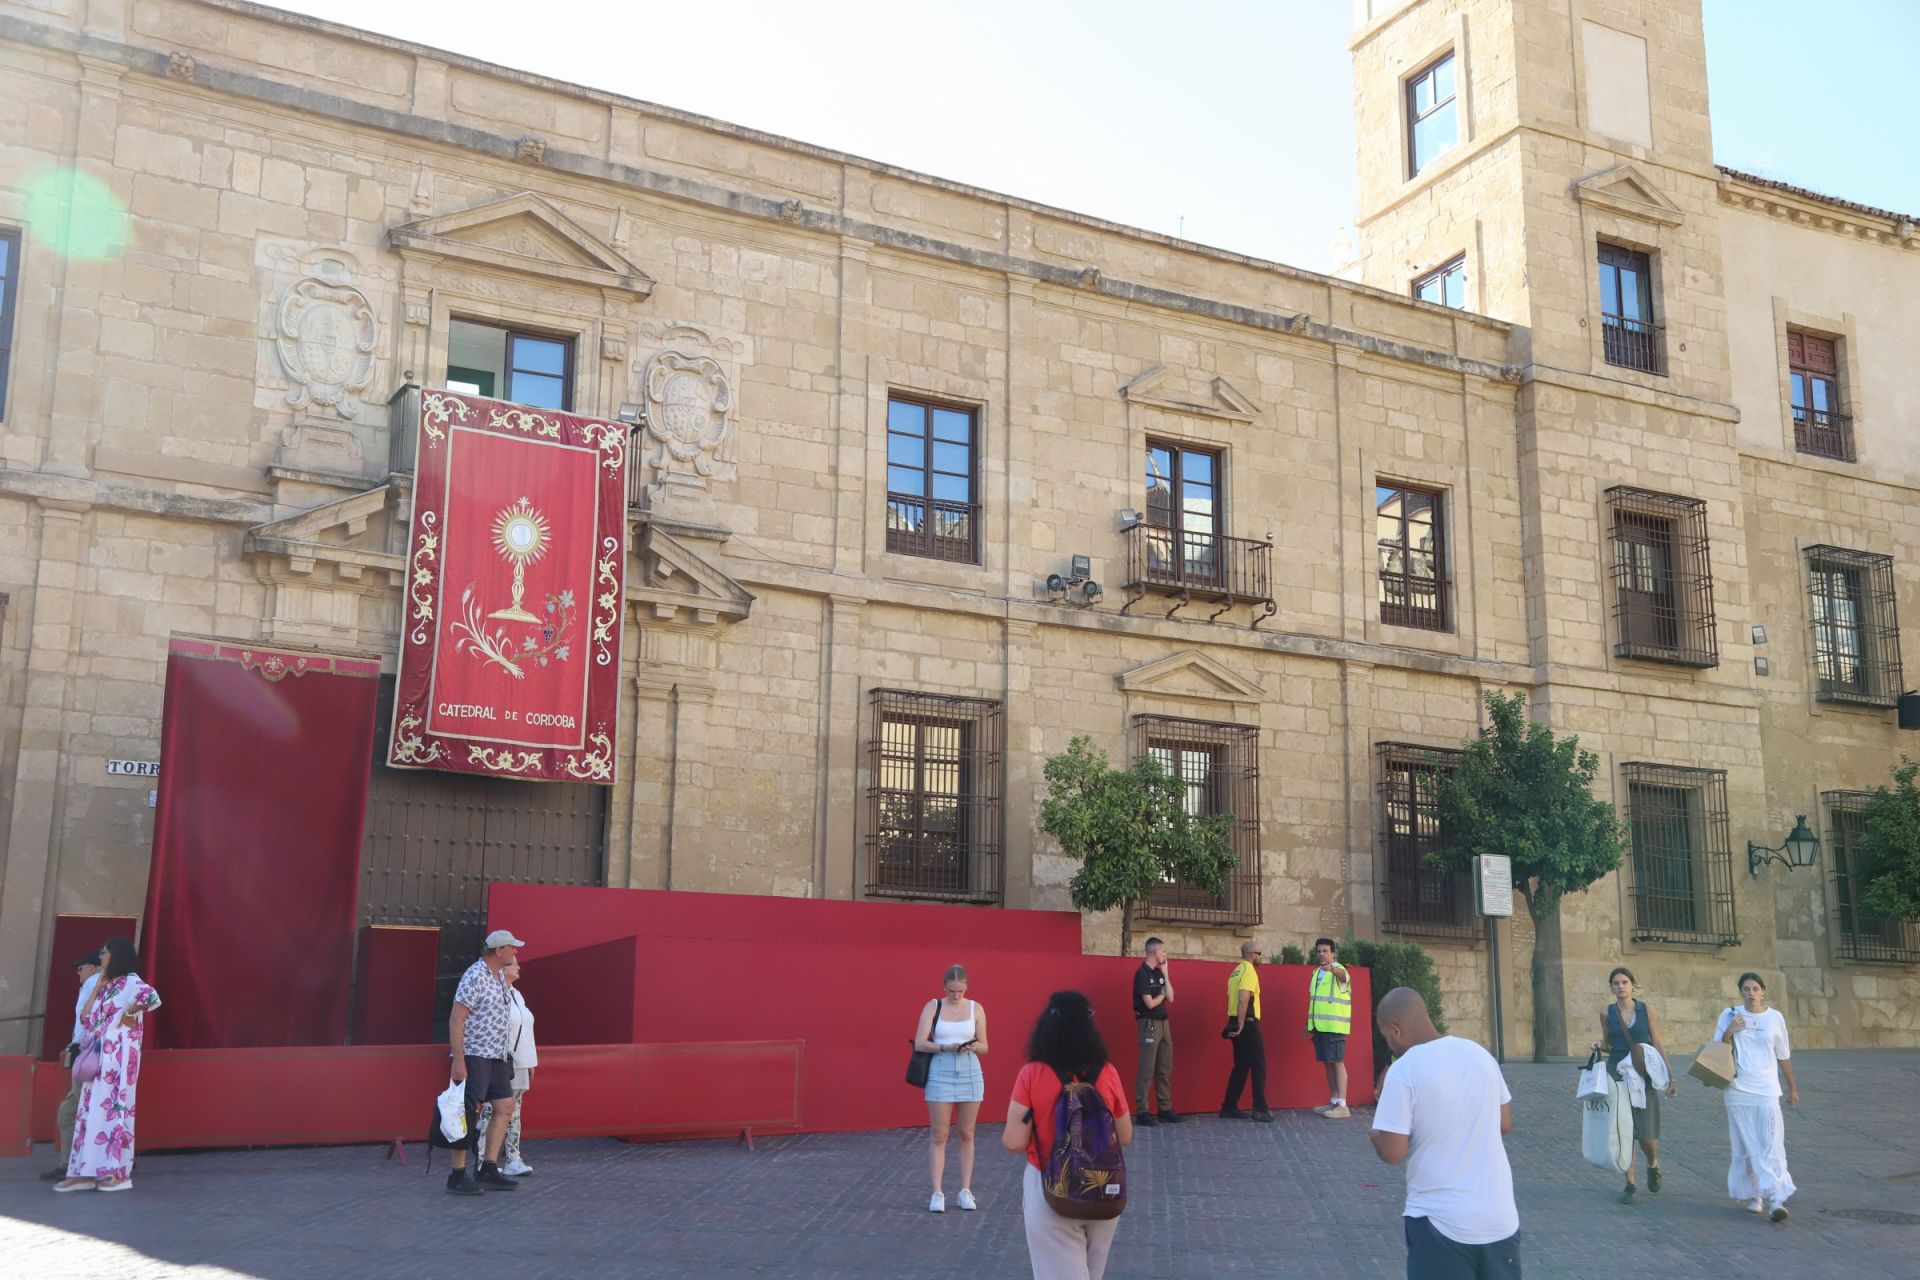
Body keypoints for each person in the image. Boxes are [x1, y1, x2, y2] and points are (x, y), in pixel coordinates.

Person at [1370, 987, 1521, 1279]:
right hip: (1499, 1218)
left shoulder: (1403, 1070)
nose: (1387, 1041)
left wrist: (1375, 1136)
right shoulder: (1479, 1054)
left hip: (1439, 1221)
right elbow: (1504, 1124)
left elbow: (1393, 1152)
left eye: (1384, 1034)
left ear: (1395, 1030)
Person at [1002, 990, 1133, 1280]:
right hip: (1102, 1190)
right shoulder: (1107, 1072)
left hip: (1051, 1188)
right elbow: (1124, 1135)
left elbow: (1013, 1142)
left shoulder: (1032, 1074)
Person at [53, 938, 162, 1193]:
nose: (101, 957)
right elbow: (86, 1017)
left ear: (117, 956)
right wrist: (97, 988)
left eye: (104, 953)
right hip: (98, 1058)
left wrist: (130, 1012)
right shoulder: (106, 985)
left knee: (114, 1112)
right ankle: (85, 1172)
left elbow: (153, 997)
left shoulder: (131, 982)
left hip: (119, 1059)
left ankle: (116, 1173)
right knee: (89, 1113)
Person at [446, 928, 525, 1196]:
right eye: (512, 947)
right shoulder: (475, 975)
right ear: (499, 950)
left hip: (495, 1056)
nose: (516, 951)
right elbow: (456, 1019)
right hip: (475, 1054)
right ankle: (457, 1175)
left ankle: (487, 1168)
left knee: (505, 1106)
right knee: (467, 1112)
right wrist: (459, 1060)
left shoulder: (498, 978)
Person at [1714, 972, 1797, 1223]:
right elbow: (1716, 1047)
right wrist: (1730, 1031)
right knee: (1745, 1144)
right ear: (1740, 991)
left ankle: (1777, 1199)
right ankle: (1755, 1196)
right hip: (1737, 1089)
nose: (1751, 993)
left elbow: (1783, 1054)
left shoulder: (1775, 1018)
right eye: (1746, 989)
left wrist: (1792, 1087)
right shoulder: (1729, 1015)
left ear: (1763, 992)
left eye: (1755, 989)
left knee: (1771, 1142)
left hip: (1767, 1089)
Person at [1590, 966, 1676, 1202]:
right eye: (1616, 983)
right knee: (1623, 1131)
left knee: (1646, 1133)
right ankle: (1630, 1184)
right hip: (1617, 1074)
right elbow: (1609, 1043)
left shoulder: (1646, 1009)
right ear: (1611, 987)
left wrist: (1670, 1075)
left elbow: (1656, 1041)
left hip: (1642, 1074)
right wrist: (1599, 1044)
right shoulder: (1607, 1013)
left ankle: (1653, 1163)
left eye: (1624, 982)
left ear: (1632, 985)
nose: (1620, 987)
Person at [915, 963, 989, 1212]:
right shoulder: (933, 1006)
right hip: (940, 1069)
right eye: (951, 991)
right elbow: (920, 1042)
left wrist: (970, 1046)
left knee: (967, 1133)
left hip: (969, 1069)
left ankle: (965, 1190)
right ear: (943, 987)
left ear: (966, 986)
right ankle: (937, 1192)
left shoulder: (976, 1008)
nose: (956, 996)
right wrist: (944, 1047)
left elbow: (985, 1046)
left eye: (960, 991)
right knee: (939, 1134)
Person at [41, 952, 103, 1180]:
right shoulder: (102, 983)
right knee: (80, 1109)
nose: (78, 972)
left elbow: (87, 1022)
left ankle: (72, 1164)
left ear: (93, 967)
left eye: (80, 968)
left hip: (86, 1052)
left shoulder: (92, 984)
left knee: (71, 1111)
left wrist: (79, 1045)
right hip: (91, 1052)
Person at [478, 957, 539, 1177]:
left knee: (515, 1111)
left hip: (519, 1063)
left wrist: (530, 1060)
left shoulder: (516, 994)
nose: (518, 966)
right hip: (499, 1062)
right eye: (513, 963)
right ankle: (483, 1159)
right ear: (502, 969)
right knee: (491, 1111)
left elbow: (524, 1028)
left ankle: (513, 1158)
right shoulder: (494, 994)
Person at [1130, 937, 1182, 1126]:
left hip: (1163, 1022)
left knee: (1164, 1068)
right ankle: (1142, 1110)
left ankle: (1165, 1108)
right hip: (1148, 1023)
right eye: (1163, 951)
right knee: (1147, 1068)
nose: (1165, 955)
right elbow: (1149, 1003)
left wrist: (1166, 975)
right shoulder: (1142, 973)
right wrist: (1161, 994)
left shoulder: (1160, 972)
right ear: (1154, 951)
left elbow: (1171, 997)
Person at [1220, 939, 1271, 1122]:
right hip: (1247, 1023)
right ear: (1252, 955)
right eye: (1259, 953)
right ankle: (1260, 1108)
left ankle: (1229, 1105)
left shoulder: (1236, 971)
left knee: (1241, 1066)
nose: (1260, 957)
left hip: (1234, 1021)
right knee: (1258, 1066)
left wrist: (1236, 1022)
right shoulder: (1249, 971)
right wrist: (1242, 1024)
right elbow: (1243, 998)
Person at [1305, 937, 1353, 1120]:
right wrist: (1308, 1025)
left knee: (1337, 1062)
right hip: (1319, 1026)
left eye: (1325, 951)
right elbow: (1315, 1001)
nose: (1321, 954)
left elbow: (1343, 978)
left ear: (1333, 954)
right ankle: (1334, 1101)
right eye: (1318, 951)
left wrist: (1333, 969)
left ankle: (1342, 1105)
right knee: (1328, 1063)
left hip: (1335, 1025)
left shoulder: (1339, 969)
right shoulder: (1316, 973)